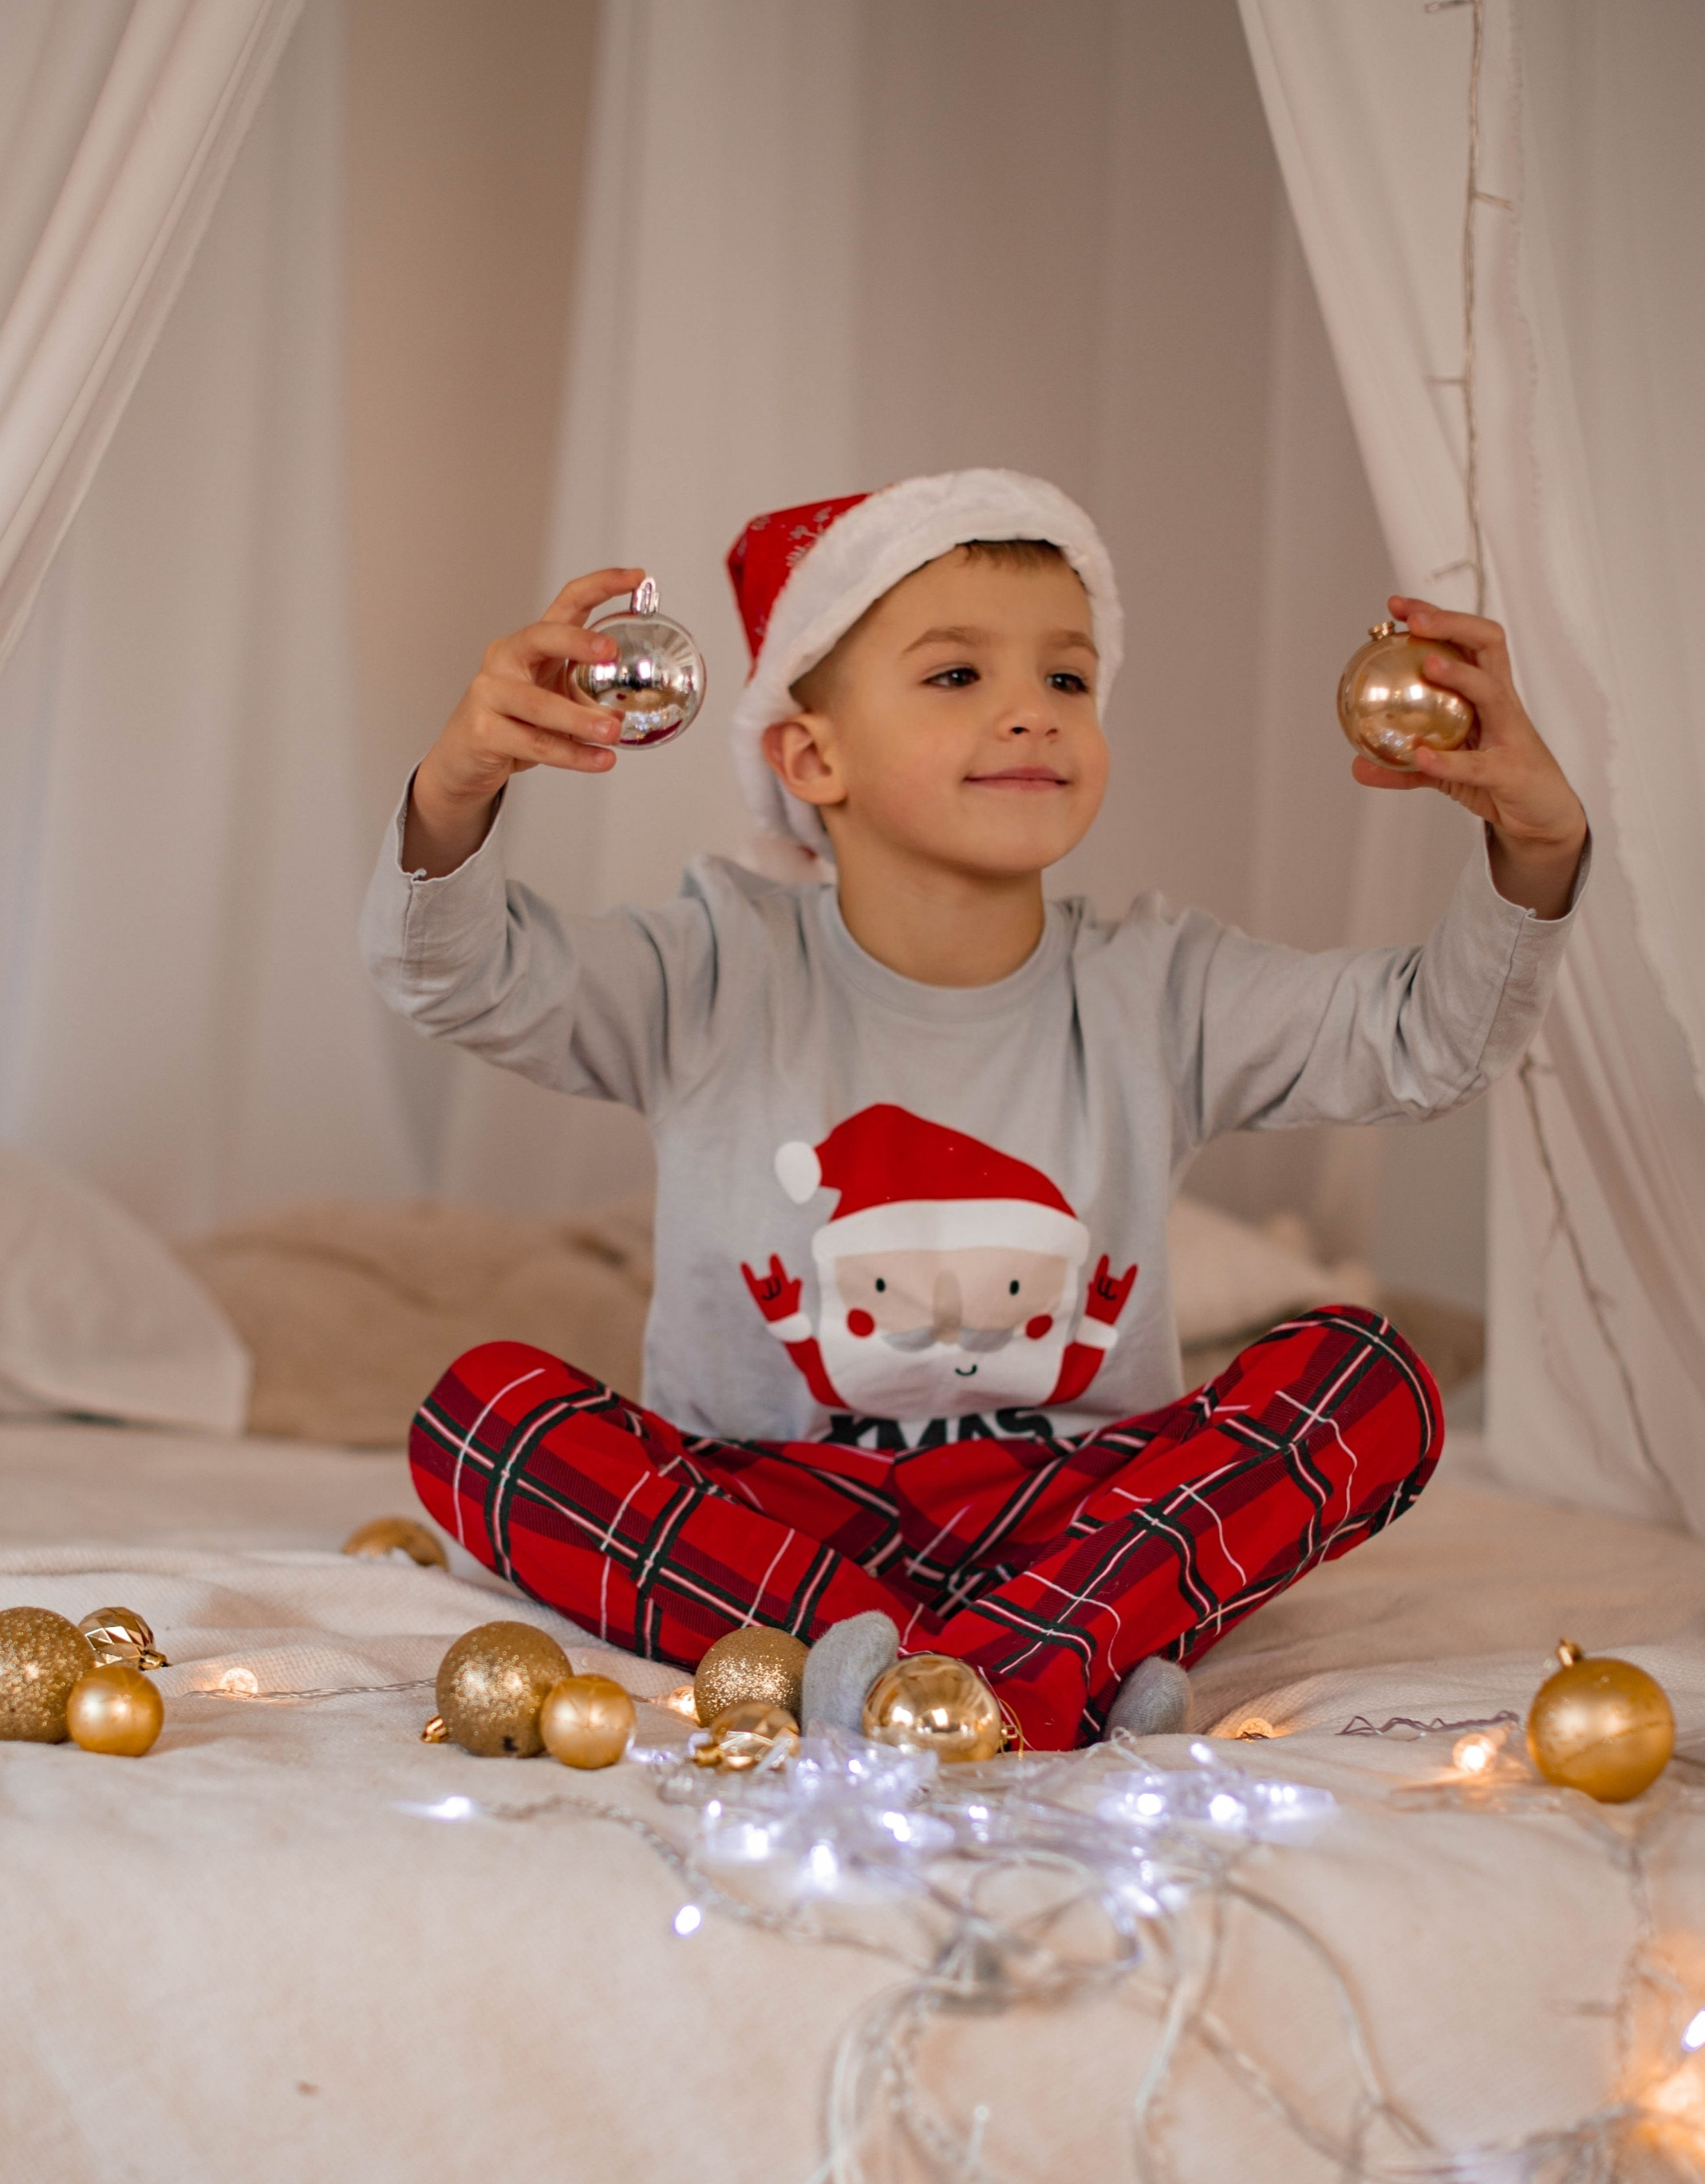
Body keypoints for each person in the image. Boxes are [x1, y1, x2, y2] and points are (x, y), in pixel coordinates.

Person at [362, 471, 1587, 1749]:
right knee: (480, 1413)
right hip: (776, 1504)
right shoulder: (712, 966)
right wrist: (457, 788)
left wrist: (1535, 848)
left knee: (1371, 1373)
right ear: (811, 755)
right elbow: (453, 975)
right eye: (957, 677)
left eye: (1066, 680)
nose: (1031, 715)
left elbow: (1425, 1042)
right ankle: (1026, 1658)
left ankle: (923, 1665)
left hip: (1074, 1503)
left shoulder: (1155, 984)